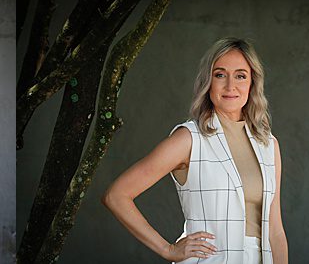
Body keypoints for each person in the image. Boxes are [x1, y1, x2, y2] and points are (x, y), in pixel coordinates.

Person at [103, 37, 288, 263]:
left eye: (240, 76)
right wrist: (168, 249)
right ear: (208, 82)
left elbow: (276, 231)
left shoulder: (268, 145)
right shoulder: (189, 138)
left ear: (252, 83)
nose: (231, 86)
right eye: (220, 75)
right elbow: (116, 195)